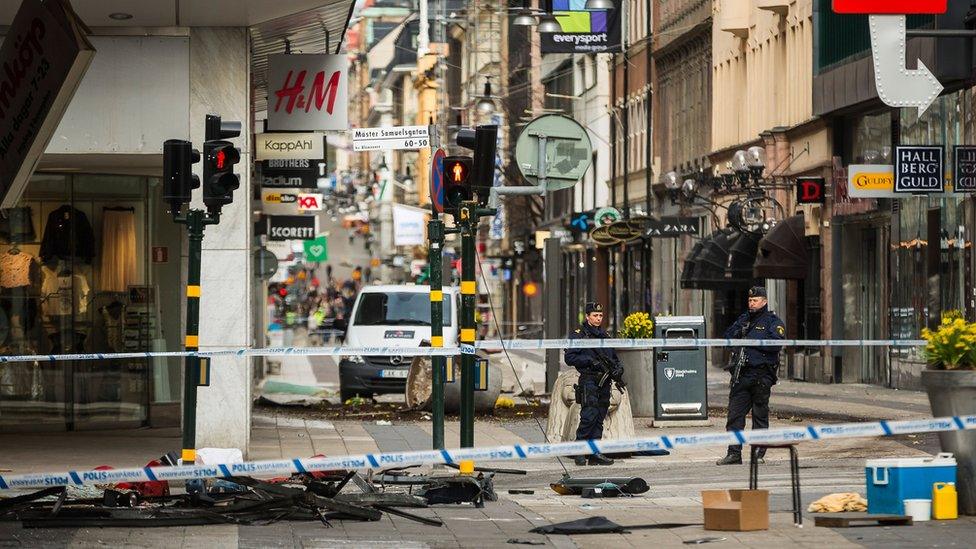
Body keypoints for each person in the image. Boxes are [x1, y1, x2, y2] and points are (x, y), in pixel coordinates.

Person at [716, 286, 786, 465]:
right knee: (734, 415)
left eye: (755, 300)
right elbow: (728, 337)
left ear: (764, 301)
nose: (751, 303)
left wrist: (752, 344)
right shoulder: (744, 319)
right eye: (749, 300)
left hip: (762, 375)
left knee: (759, 415)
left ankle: (758, 454)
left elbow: (776, 345)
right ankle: (734, 453)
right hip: (742, 375)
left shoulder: (773, 321)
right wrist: (739, 333)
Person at [564, 302, 621, 466]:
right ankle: (580, 451)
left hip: (605, 381)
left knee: (599, 418)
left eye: (600, 315)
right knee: (588, 416)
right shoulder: (579, 336)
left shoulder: (605, 335)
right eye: (595, 315)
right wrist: (589, 361)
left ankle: (595, 453)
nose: (598, 318)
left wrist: (618, 369)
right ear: (587, 316)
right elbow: (570, 358)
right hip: (589, 380)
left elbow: (614, 357)